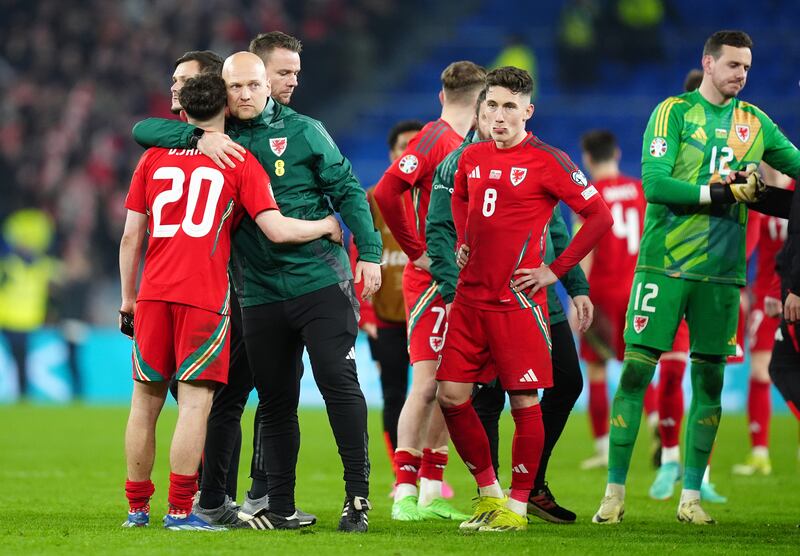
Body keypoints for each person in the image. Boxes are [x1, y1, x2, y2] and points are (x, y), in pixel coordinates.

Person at [133, 51, 383, 533]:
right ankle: (277, 504)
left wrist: (368, 251)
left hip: (318, 281)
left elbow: (349, 189)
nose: (245, 95)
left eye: (253, 85)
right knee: (273, 403)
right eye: (236, 88)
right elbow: (144, 129)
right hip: (257, 292)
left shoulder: (305, 130)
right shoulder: (217, 133)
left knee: (338, 385)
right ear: (222, 91)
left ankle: (357, 498)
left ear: (267, 85)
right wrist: (197, 135)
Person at [592, 30, 800, 526]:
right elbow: (656, 184)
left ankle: (690, 497)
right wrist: (721, 193)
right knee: (638, 370)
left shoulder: (755, 123)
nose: (741, 75)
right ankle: (614, 493)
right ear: (707, 63)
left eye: (747, 67)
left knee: (708, 377)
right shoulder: (673, 112)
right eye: (732, 65)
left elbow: (796, 171)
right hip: (664, 265)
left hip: (723, 276)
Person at [437, 66, 612, 532]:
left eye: (509, 106)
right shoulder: (470, 157)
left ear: (527, 111)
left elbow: (598, 216)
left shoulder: (548, 160)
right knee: (451, 396)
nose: (499, 115)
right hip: (470, 301)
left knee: (524, 403)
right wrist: (463, 237)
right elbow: (458, 196)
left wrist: (555, 271)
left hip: (517, 303)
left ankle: (515, 509)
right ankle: (491, 495)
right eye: (491, 105)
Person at [373, 61, 487, 522]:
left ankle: (431, 489)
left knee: (458, 385)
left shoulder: (479, 142)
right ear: (482, 100)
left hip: (471, 279)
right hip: (436, 280)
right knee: (425, 384)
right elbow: (385, 191)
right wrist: (417, 250)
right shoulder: (433, 138)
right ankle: (403, 492)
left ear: (442, 95)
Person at [576, 129, 670, 471]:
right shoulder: (641, 191)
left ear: (587, 158)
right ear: (615, 153)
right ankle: (657, 419)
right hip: (638, 290)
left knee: (597, 370)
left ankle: (602, 448)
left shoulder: (589, 195)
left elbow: (586, 250)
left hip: (601, 294)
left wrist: (578, 296)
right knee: (639, 365)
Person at [349, 120, 423, 488]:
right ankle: (402, 477)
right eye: (402, 147)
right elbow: (358, 255)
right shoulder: (374, 198)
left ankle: (428, 474)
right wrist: (365, 313)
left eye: (416, 145)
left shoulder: (437, 196)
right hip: (389, 317)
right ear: (392, 155)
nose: (409, 152)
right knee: (394, 394)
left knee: (434, 395)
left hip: (428, 312)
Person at [732, 166, 793, 476]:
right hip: (766, 297)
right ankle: (759, 452)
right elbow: (749, 245)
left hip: (792, 293)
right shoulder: (760, 195)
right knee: (760, 371)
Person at [249, 31, 302, 105]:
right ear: (257, 71)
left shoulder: (296, 116)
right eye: (284, 73)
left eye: (295, 73)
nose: (294, 83)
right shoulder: (228, 113)